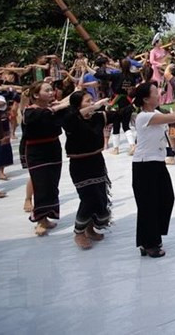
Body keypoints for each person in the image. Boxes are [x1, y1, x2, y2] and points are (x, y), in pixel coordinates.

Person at [131, 83, 175, 258]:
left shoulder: (156, 113)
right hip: (145, 164)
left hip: (157, 162)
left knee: (167, 198)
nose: (159, 93)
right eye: (155, 92)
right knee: (148, 204)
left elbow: (171, 117)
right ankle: (149, 243)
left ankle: (153, 236)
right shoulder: (144, 117)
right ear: (145, 99)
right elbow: (174, 117)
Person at [62, 91, 116, 250]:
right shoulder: (72, 120)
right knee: (88, 199)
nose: (92, 103)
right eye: (88, 101)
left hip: (97, 162)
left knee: (100, 198)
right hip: (80, 165)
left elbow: (118, 114)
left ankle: (90, 228)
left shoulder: (97, 117)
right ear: (78, 105)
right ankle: (79, 233)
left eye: (92, 100)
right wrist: (95, 106)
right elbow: (69, 119)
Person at [23, 82, 70, 236]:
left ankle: (47, 216)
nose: (51, 93)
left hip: (53, 148)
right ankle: (39, 219)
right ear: (36, 95)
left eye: (52, 90)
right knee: (41, 184)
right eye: (47, 90)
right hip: (36, 151)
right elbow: (41, 116)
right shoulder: (30, 111)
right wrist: (59, 106)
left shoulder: (53, 109)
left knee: (52, 184)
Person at [95, 58, 140, 155]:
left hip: (117, 102)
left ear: (120, 66)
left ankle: (116, 148)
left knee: (116, 124)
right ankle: (132, 145)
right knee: (126, 125)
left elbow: (101, 75)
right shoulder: (133, 76)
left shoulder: (116, 76)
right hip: (128, 102)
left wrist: (87, 67)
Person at [149, 34, 172, 104]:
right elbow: (151, 61)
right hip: (156, 69)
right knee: (159, 84)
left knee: (167, 82)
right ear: (156, 43)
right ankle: (160, 100)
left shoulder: (163, 50)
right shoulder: (152, 51)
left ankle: (168, 99)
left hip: (164, 68)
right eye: (160, 41)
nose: (161, 42)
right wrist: (160, 64)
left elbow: (166, 57)